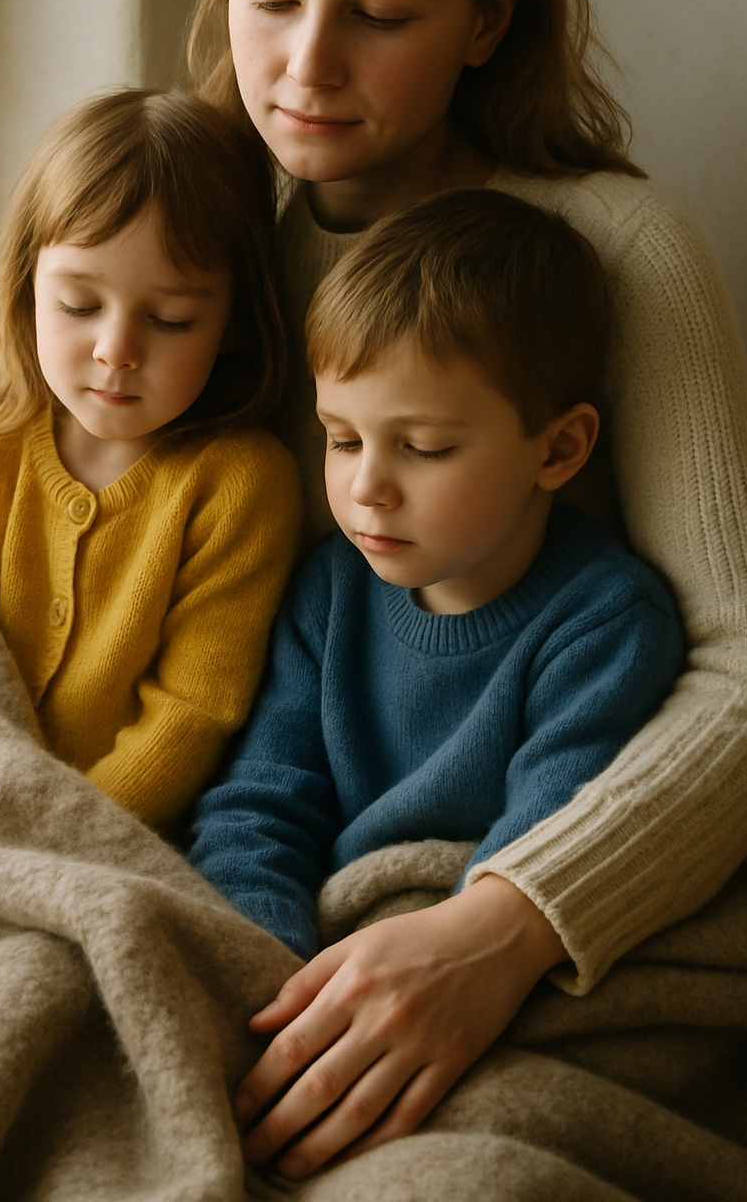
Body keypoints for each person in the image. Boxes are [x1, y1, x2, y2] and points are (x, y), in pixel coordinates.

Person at [186, 0, 747, 1178]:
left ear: (491, 17)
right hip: (276, 856)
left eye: (380, 14)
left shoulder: (621, 256)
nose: (305, 67)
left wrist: (506, 925)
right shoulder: (198, 252)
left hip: (559, 875)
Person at [190, 188, 683, 960]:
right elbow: (261, 803)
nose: (366, 489)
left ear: (557, 451)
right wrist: (260, 965)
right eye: (343, 440)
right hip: (325, 940)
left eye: (422, 448)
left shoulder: (605, 625)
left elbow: (543, 845)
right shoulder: (330, 590)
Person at [0, 87, 302, 831]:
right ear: (29, 290)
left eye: (170, 319)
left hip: (125, 834)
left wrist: (73, 836)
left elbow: (193, 709)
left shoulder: (239, 486)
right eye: (79, 305)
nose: (117, 352)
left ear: (233, 322)